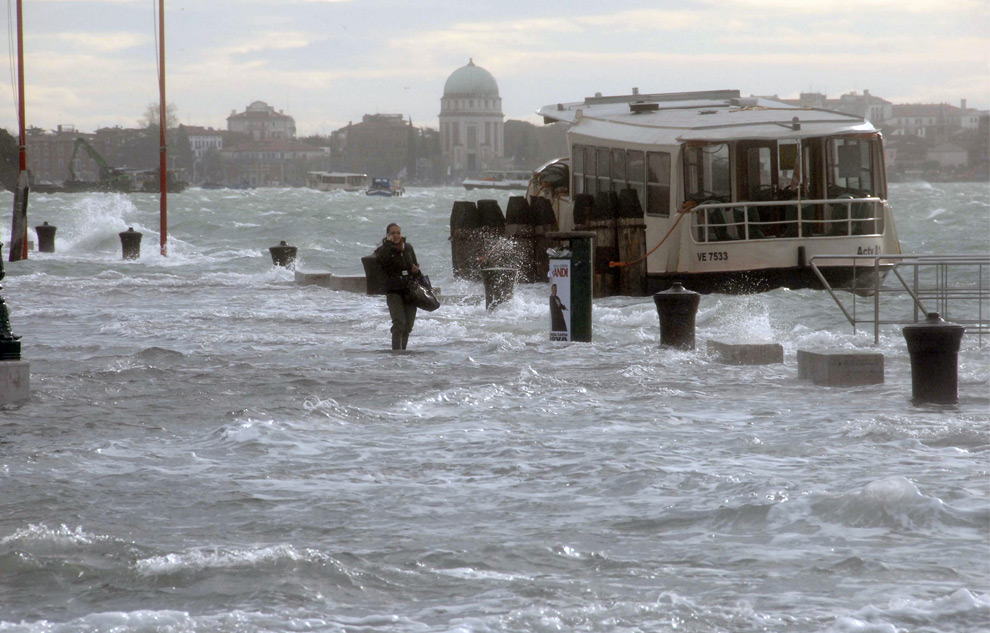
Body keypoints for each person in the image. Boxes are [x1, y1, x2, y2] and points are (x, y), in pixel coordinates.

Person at [375, 223, 421, 350]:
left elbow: (416, 267)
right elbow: (381, 261)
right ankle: (396, 353)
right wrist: (388, 245)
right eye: (392, 233)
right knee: (399, 324)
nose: (396, 235)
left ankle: (403, 352)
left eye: (398, 232)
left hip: (409, 290)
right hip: (393, 291)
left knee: (408, 326)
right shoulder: (383, 250)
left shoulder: (408, 248)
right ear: (387, 235)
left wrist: (416, 271)